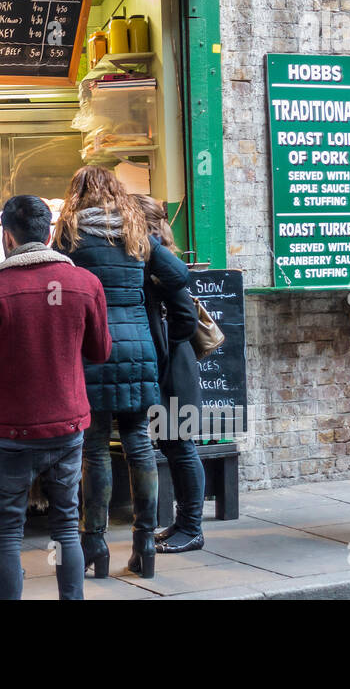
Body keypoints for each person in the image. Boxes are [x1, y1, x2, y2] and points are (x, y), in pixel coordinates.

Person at [0, 195, 111, 600]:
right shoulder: (85, 283)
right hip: (68, 423)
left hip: (11, 431)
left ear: (6, 236)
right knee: (66, 523)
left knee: (8, 528)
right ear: (48, 234)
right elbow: (101, 352)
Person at [52, 167, 167, 580]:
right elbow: (178, 275)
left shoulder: (69, 233)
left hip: (93, 349)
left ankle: (94, 543)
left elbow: (53, 279)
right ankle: (145, 543)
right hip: (138, 347)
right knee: (139, 443)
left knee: (94, 446)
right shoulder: (136, 230)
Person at [135, 195, 203, 554]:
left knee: (181, 447)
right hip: (170, 365)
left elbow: (186, 319)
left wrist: (164, 349)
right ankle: (182, 524)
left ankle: (192, 527)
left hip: (174, 368)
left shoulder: (161, 260)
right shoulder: (154, 256)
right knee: (174, 446)